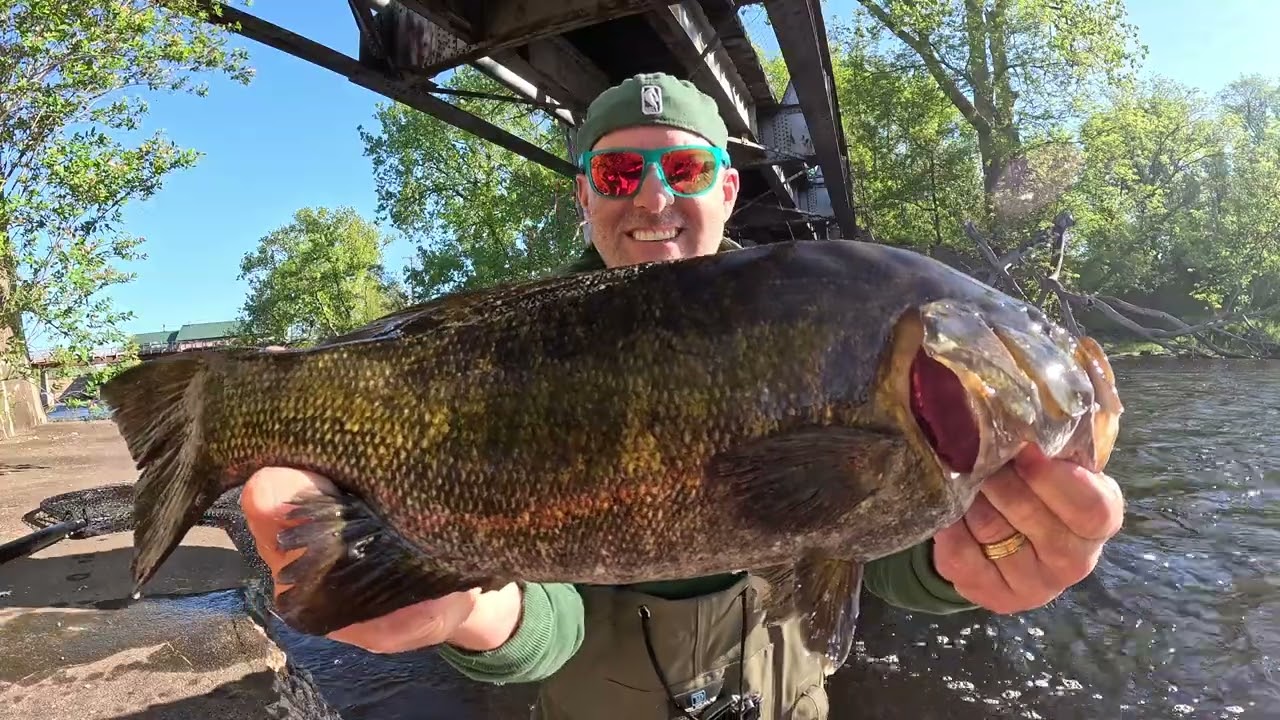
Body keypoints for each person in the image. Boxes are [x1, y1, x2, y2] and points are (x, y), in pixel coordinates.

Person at [240, 72, 1125, 719]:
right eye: (621, 176)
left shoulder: (829, 319)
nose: (654, 199)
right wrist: (473, 609)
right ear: (585, 193)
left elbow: (879, 554)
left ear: (727, 188)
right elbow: (545, 619)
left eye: (686, 173)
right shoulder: (517, 355)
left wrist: (976, 561)